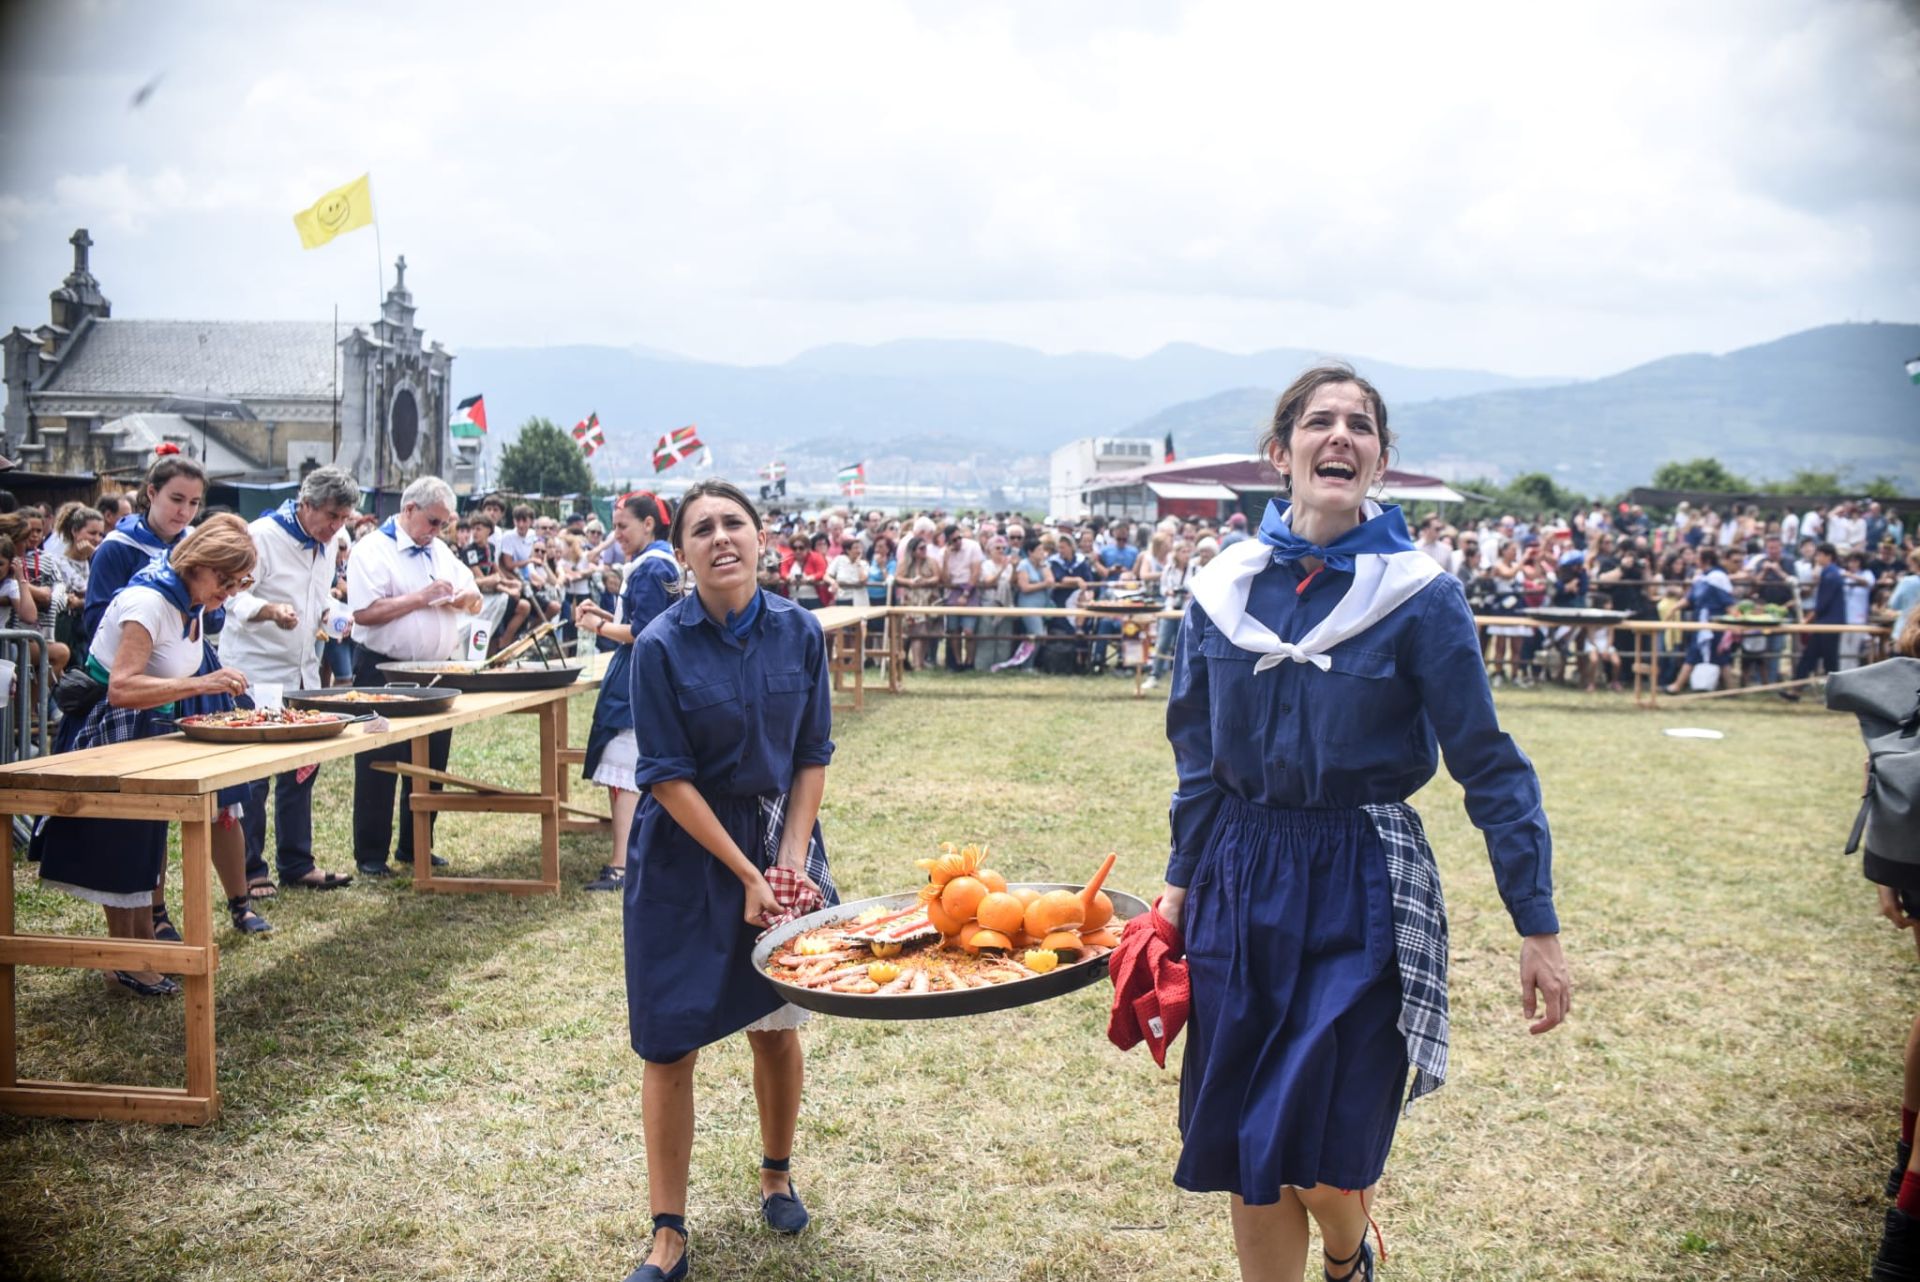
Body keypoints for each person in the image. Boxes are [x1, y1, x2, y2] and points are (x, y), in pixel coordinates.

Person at [1158, 365, 1568, 1282]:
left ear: (1380, 459)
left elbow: (1488, 763)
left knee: (1318, 1139)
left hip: (1363, 879)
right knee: (1244, 1142)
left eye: (1360, 426)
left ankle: (1348, 1255)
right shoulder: (1221, 588)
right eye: (1318, 422)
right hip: (1240, 872)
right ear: (1281, 452)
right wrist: (1178, 887)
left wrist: (1536, 926)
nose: (1338, 437)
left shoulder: (1421, 597)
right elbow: (1197, 760)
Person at [618, 479, 837, 1282]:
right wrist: (747, 871)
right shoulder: (659, 646)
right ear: (680, 553)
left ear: (761, 537)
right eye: (701, 528)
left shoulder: (799, 630)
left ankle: (776, 1170)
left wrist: (787, 858)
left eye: (733, 524)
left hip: (779, 837)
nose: (720, 538)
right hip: (685, 851)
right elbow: (667, 777)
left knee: (777, 1021)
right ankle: (667, 1231)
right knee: (669, 1039)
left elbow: (813, 754)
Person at [32, 515, 271, 996]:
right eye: (224, 580)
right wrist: (202, 683)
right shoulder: (149, 601)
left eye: (237, 582)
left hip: (149, 732)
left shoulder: (191, 599)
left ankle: (141, 950)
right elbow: (121, 687)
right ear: (197, 564)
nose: (228, 591)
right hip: (109, 734)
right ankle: (125, 958)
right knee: (121, 851)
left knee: (144, 848)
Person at [221, 467, 361, 893]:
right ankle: (251, 869)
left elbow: (319, 601)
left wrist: (334, 617)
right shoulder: (262, 536)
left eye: (344, 519)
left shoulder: (329, 543)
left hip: (302, 675)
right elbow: (231, 595)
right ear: (306, 505)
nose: (337, 527)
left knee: (302, 770)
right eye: (332, 516)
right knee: (254, 777)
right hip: (256, 671)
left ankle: (297, 862)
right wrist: (270, 611)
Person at [346, 476, 482, 878]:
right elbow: (365, 613)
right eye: (433, 522)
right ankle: (371, 853)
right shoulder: (371, 550)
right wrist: (420, 599)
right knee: (378, 760)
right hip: (382, 668)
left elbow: (473, 598)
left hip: (435, 670)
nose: (437, 532)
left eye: (443, 524)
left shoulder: (440, 551)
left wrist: (462, 598)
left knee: (431, 760)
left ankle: (416, 843)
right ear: (408, 510)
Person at [574, 493, 678, 893]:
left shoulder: (651, 566)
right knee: (630, 770)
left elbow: (642, 632)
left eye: (622, 526)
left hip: (638, 676)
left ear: (648, 524)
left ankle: (621, 865)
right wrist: (604, 617)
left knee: (625, 770)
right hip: (646, 674)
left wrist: (597, 628)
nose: (616, 535)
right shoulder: (660, 561)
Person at [1786, 542, 1845, 698]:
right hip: (1826, 623)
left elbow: (1823, 603)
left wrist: (1808, 619)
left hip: (1829, 623)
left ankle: (1836, 694)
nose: (1817, 558)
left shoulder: (1830, 574)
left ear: (1828, 556)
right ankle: (1796, 690)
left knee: (1829, 660)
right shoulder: (1830, 572)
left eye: (1819, 555)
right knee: (1810, 656)